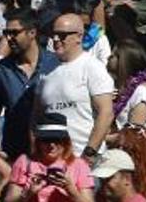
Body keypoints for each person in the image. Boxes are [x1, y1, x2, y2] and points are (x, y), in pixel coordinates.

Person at [37, 13, 116, 158]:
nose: (55, 39)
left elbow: (106, 113)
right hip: (51, 159)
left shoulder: (92, 67)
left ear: (79, 37)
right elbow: (37, 112)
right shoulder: (46, 67)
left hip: (83, 157)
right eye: (53, 34)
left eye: (62, 35)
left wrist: (89, 153)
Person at [0, 8, 59, 160]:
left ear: (32, 33)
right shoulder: (3, 69)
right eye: (7, 33)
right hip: (15, 152)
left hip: (50, 149)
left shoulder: (54, 63)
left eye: (14, 33)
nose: (9, 38)